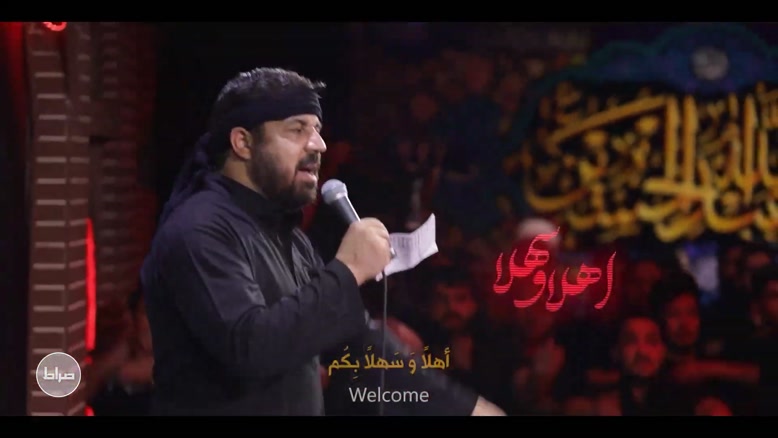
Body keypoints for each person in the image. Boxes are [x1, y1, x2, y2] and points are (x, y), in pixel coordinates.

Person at [140, 67, 504, 416]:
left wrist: (465, 409)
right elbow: (250, 348)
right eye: (297, 130)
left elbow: (357, 346)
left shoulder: (289, 238)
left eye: (317, 130)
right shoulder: (199, 228)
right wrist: (349, 270)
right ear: (243, 143)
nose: (319, 144)